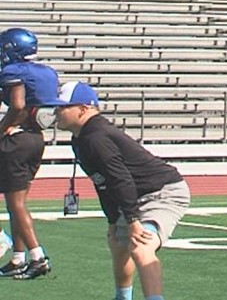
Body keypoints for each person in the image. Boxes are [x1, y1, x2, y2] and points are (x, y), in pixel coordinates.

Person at [48, 80, 190, 300]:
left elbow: (120, 179)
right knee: (118, 247)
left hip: (161, 192)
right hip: (135, 194)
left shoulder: (96, 137)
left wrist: (132, 220)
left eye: (63, 106)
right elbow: (103, 183)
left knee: (141, 247)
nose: (56, 111)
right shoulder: (81, 139)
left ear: (83, 109)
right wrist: (113, 220)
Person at [0, 27, 58, 280]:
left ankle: (38, 257)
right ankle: (18, 258)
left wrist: (3, 129)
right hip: (36, 138)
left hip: (17, 140)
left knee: (16, 204)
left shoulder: (13, 71)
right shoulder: (47, 72)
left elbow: (19, 104)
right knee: (17, 204)